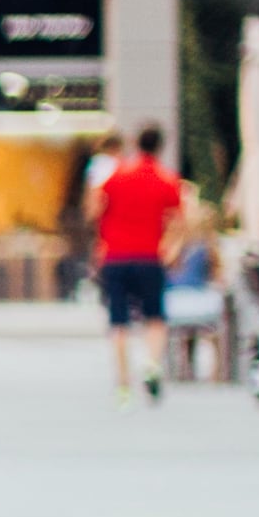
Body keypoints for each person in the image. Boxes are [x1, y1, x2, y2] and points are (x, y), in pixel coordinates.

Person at [92, 121, 187, 402]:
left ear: (137, 143)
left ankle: (123, 384)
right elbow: (180, 222)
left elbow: (96, 209)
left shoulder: (117, 175)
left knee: (118, 321)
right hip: (150, 256)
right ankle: (152, 364)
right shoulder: (167, 179)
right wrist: (171, 250)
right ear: (161, 146)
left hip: (115, 256)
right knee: (155, 318)